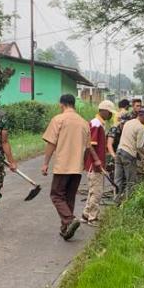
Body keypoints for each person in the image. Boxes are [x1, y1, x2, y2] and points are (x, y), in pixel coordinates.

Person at [41, 94, 90, 240]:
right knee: (69, 197)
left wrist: (45, 163)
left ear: (62, 104)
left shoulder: (58, 119)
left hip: (63, 166)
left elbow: (51, 143)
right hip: (77, 167)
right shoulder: (84, 123)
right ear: (73, 104)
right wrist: (83, 164)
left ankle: (69, 220)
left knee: (56, 195)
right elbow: (88, 149)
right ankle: (65, 228)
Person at [82, 100, 116, 225]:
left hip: (96, 163)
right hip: (94, 165)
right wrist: (97, 162)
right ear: (104, 111)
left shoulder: (100, 123)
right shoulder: (96, 124)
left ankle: (86, 214)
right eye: (110, 113)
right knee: (97, 192)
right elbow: (91, 145)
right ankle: (93, 217)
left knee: (92, 191)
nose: (111, 116)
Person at [115, 107, 144, 200]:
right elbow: (139, 147)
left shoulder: (128, 123)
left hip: (119, 152)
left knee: (118, 180)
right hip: (128, 155)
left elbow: (133, 139)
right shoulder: (140, 127)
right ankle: (128, 202)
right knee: (131, 181)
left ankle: (116, 201)